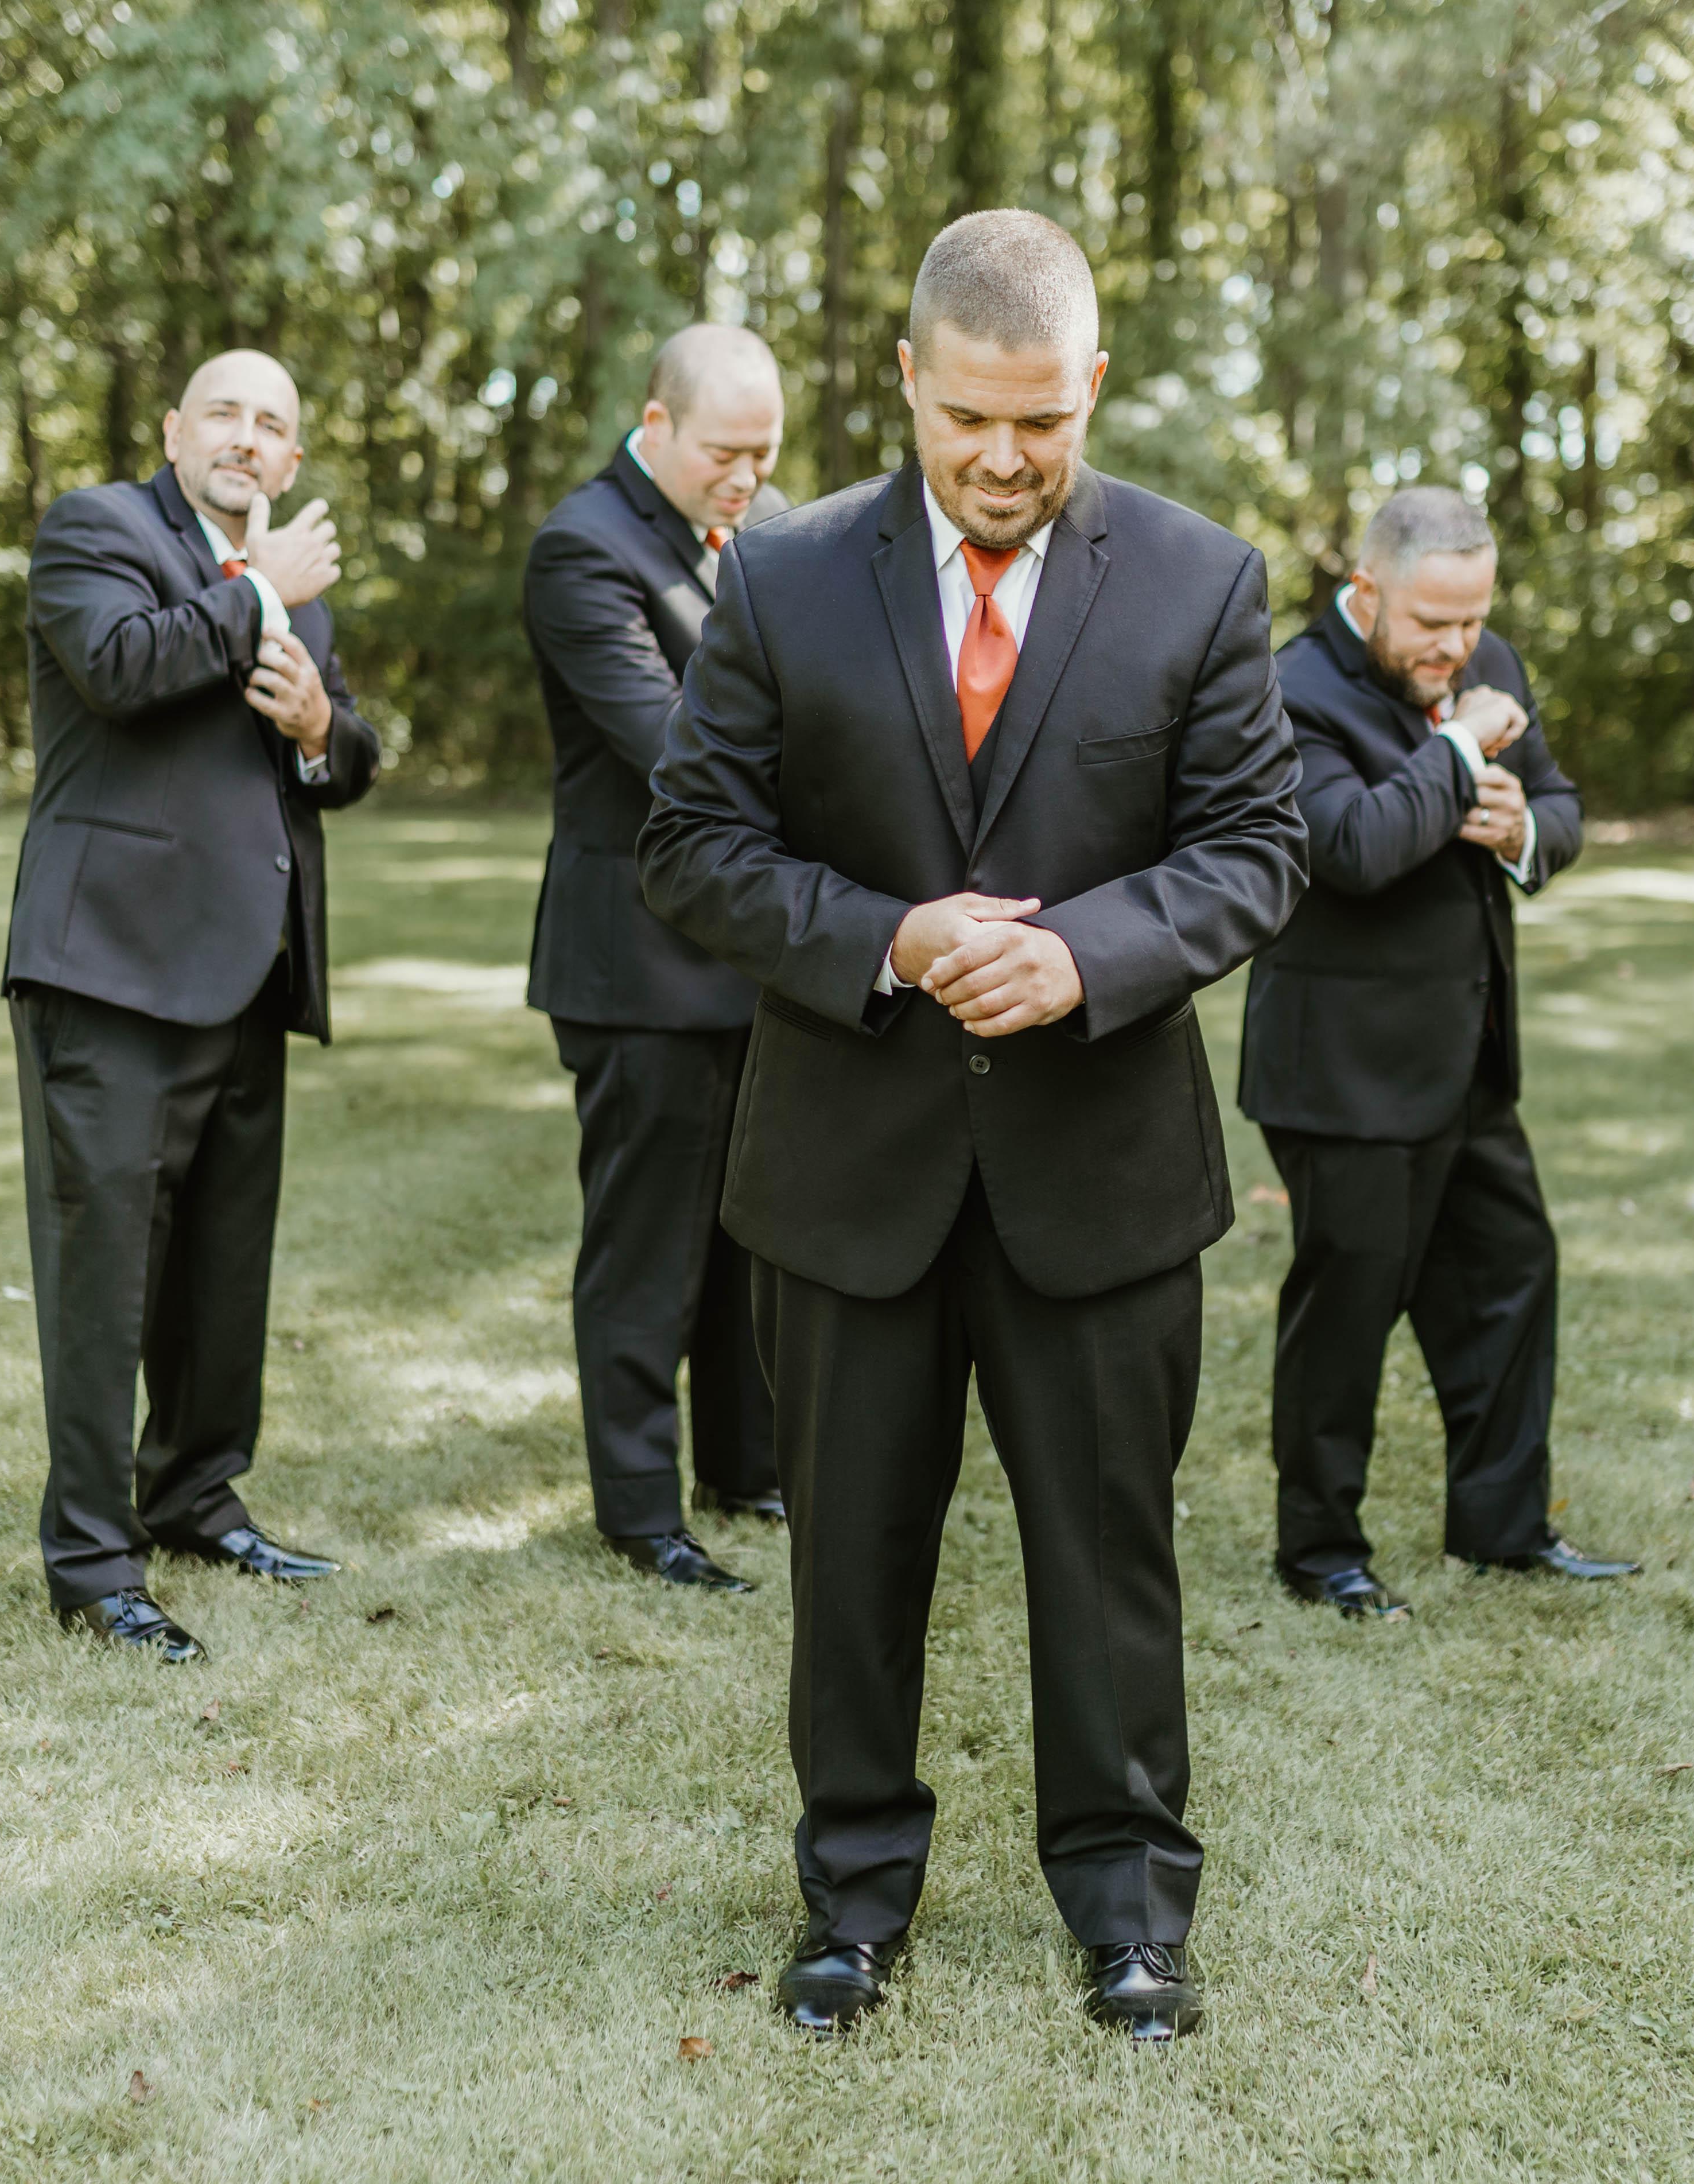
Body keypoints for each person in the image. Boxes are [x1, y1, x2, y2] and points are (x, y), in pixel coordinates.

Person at [642, 210, 1307, 2041]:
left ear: (1089, 383)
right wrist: (890, 939)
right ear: (908, 382)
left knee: (1109, 1560)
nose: (1004, 458)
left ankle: (1130, 1909)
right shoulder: (782, 577)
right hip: (844, 1169)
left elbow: (1256, 848)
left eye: (1041, 420)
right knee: (851, 1557)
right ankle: (853, 1898)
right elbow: (690, 845)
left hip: (1101, 1172)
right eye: (967, 420)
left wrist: (1088, 954)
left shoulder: (1198, 579)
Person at [5, 348, 381, 1662]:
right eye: (225, 411)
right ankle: (92, 1563)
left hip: (247, 976)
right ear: (174, 431)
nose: (247, 435)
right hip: (108, 968)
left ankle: (196, 1499)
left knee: (224, 1268)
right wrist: (256, 593)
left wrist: (321, 726)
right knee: (103, 1277)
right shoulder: (98, 529)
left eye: (273, 423)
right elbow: (118, 665)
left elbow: (346, 752)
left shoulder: (293, 589)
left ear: (291, 458)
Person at [1237, 488, 1634, 1619]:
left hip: (1470, 1055)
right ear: (1366, 591)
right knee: (1349, 1304)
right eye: (1431, 623)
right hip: (1342, 1068)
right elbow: (1352, 847)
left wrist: (1520, 832)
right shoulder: (1290, 690)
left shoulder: (1487, 662)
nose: (1456, 647)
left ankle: (1503, 1527)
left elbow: (1558, 807)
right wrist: (1459, 749)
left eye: (1472, 620)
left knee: (1512, 1274)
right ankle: (1320, 1550)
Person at [524, 325, 791, 1595]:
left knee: (752, 1229)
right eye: (724, 453)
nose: (747, 477)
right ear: (656, 425)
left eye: (765, 453)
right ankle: (640, 1510)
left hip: (754, 955)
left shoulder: (765, 530)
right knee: (646, 1245)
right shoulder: (584, 548)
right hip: (634, 958)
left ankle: (746, 1465)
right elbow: (673, 743)